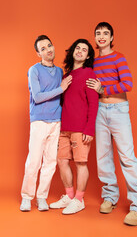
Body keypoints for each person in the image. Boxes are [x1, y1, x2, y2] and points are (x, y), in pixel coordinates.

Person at [86, 22, 137, 226]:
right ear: (94, 38)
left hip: (119, 111)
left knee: (127, 158)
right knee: (102, 156)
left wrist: (103, 89)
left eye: (105, 33)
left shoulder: (118, 57)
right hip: (100, 112)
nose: (101, 36)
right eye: (98, 33)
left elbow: (128, 84)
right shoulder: (93, 62)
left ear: (112, 38)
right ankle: (110, 196)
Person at [20, 35, 72, 211]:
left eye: (49, 45)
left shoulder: (59, 71)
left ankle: (41, 197)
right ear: (38, 53)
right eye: (43, 48)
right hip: (39, 121)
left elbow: (63, 97)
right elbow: (38, 96)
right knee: (34, 161)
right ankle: (27, 197)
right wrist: (61, 88)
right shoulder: (34, 70)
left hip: (55, 121)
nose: (48, 50)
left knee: (50, 162)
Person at [49, 39, 98, 214]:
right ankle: (69, 196)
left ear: (88, 56)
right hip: (64, 128)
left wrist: (89, 129)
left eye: (84, 50)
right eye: (78, 48)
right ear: (72, 51)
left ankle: (79, 200)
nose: (80, 51)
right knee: (62, 161)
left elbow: (94, 104)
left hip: (80, 128)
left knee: (80, 163)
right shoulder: (66, 76)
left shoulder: (89, 74)